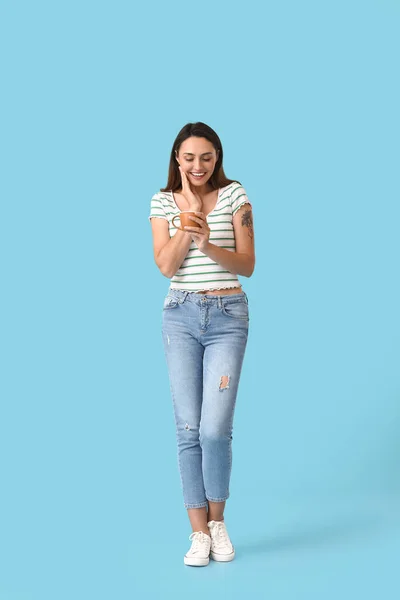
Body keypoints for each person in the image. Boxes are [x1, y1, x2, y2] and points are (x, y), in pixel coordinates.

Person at [148, 122, 255, 566]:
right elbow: (166, 265)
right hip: (180, 316)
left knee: (215, 428)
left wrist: (208, 243)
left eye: (206, 157)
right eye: (189, 157)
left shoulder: (236, 196)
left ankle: (218, 522)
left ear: (218, 158)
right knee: (187, 428)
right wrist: (188, 213)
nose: (198, 165)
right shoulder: (161, 201)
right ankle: (197, 535)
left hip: (228, 316)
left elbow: (247, 264)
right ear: (177, 158)